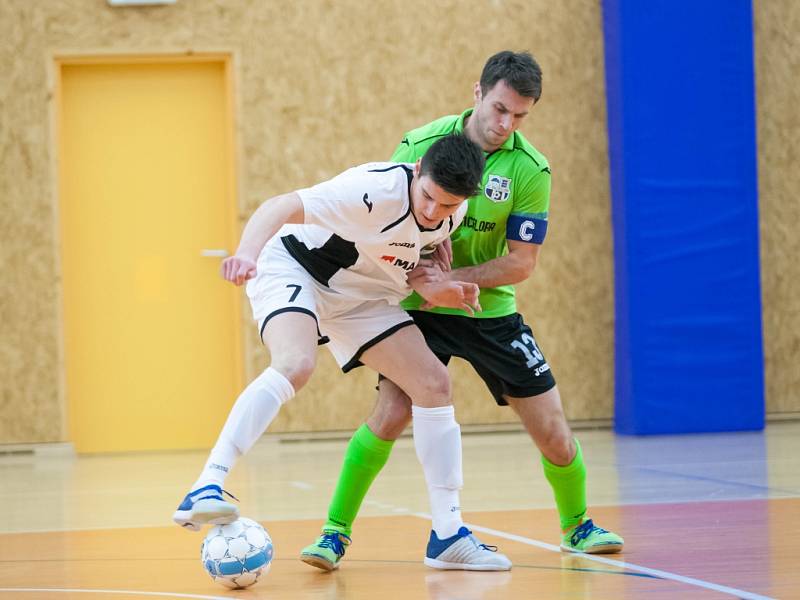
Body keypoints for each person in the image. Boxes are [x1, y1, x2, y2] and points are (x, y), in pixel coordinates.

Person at [300, 50, 624, 572]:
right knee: (392, 413)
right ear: (477, 91)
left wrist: (454, 281)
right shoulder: (421, 143)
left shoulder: (531, 169)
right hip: (420, 309)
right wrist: (425, 281)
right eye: (499, 108)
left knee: (554, 432)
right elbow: (395, 228)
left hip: (488, 311)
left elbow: (521, 264)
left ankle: (577, 526)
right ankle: (333, 534)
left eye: (519, 116)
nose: (505, 124)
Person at [172, 133, 512, 571]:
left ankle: (447, 534)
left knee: (433, 384)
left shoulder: (452, 213)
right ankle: (207, 485)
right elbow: (279, 205)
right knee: (296, 364)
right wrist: (246, 254)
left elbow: (408, 266)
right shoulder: (372, 190)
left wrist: (437, 288)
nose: (433, 211)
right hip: (296, 267)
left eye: (446, 205)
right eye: (427, 197)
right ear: (417, 168)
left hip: (362, 297)